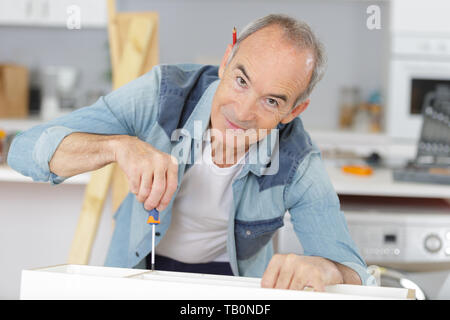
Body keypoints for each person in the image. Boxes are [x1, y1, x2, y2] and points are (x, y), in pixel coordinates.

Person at [8, 14, 373, 291]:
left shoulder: (297, 160)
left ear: (293, 111)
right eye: (241, 81)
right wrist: (119, 146)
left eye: (272, 100)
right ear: (227, 59)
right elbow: (23, 149)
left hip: (233, 286)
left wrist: (327, 270)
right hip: (136, 270)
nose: (242, 113)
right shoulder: (163, 94)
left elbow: (354, 270)